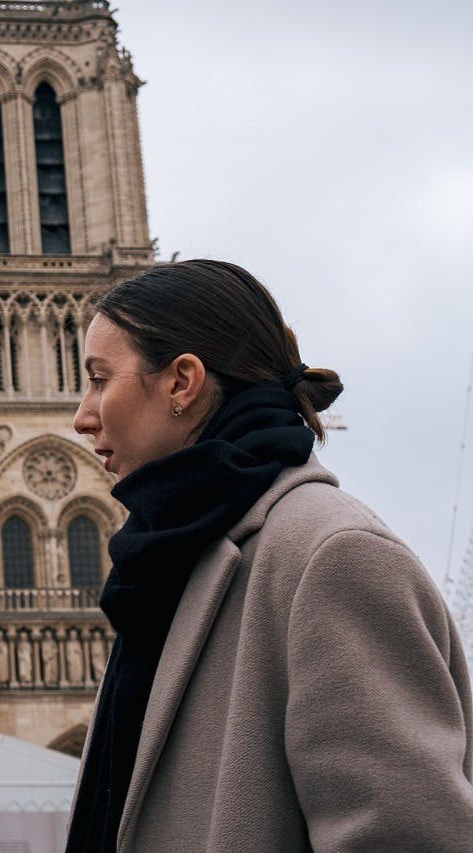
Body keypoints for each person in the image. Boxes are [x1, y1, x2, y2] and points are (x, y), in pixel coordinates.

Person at [66, 259, 473, 851]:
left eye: (101, 379)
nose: (82, 415)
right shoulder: (175, 562)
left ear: (182, 381)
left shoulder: (332, 557)